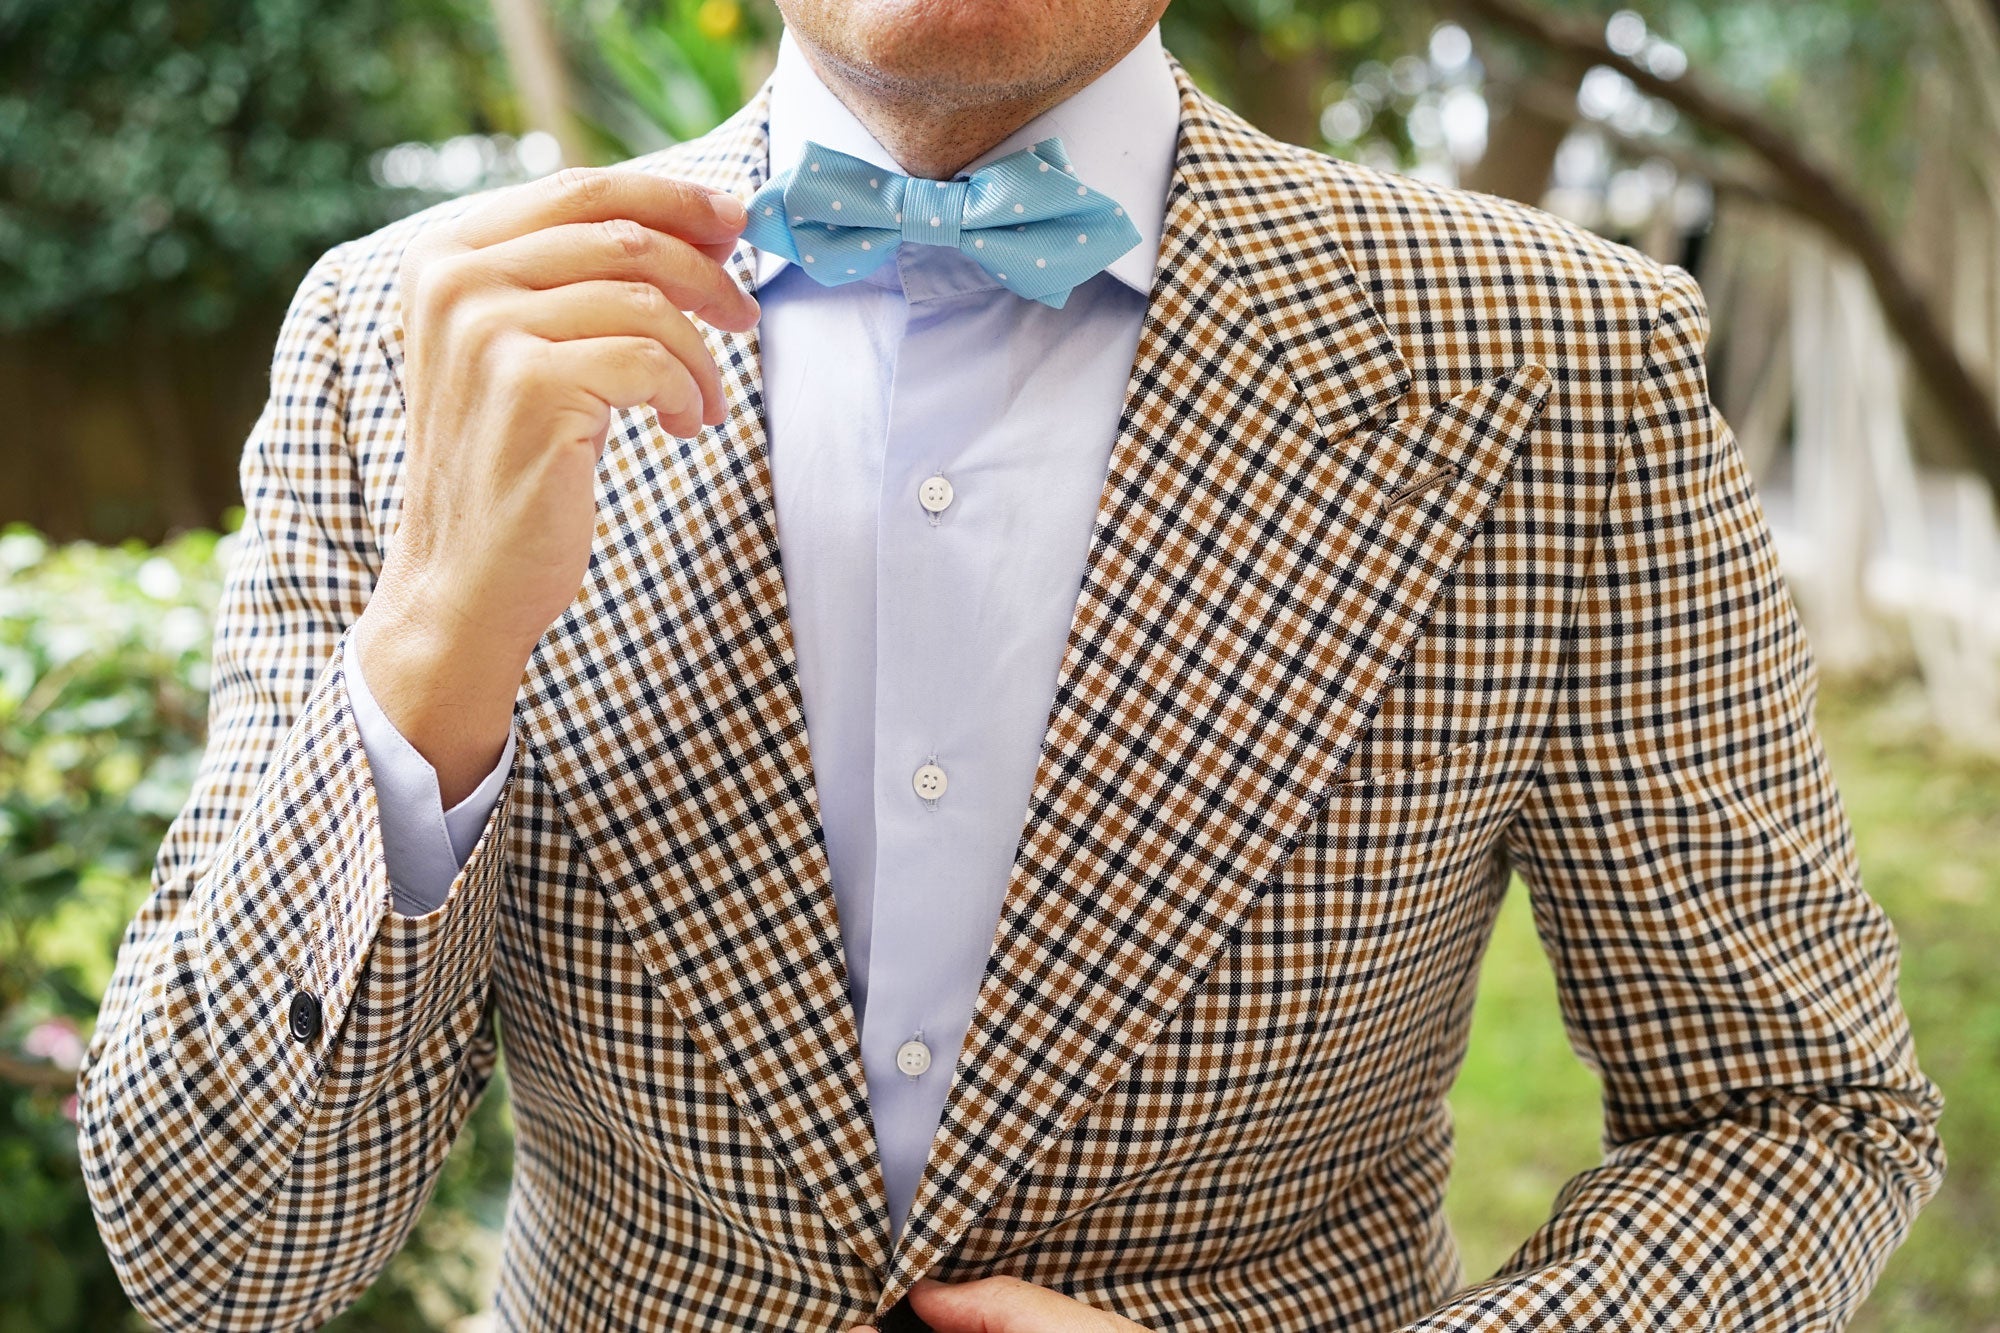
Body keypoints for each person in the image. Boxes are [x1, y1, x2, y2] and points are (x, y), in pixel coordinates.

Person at [77, 1, 1944, 1329]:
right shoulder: (396, 339)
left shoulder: (1558, 361)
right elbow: (219, 1258)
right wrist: (424, 657)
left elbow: (1797, 1117)